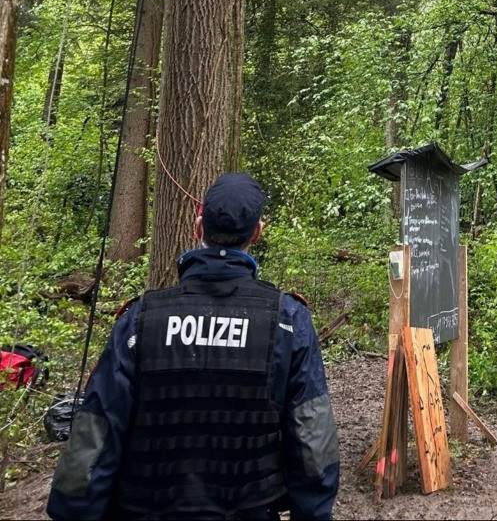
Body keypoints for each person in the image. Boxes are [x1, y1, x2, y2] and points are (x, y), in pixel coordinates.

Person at [47, 173, 340, 520]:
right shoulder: (288, 321)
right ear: (257, 233)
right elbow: (312, 440)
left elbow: (95, 433)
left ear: (197, 227)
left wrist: (75, 511)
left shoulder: (139, 319)